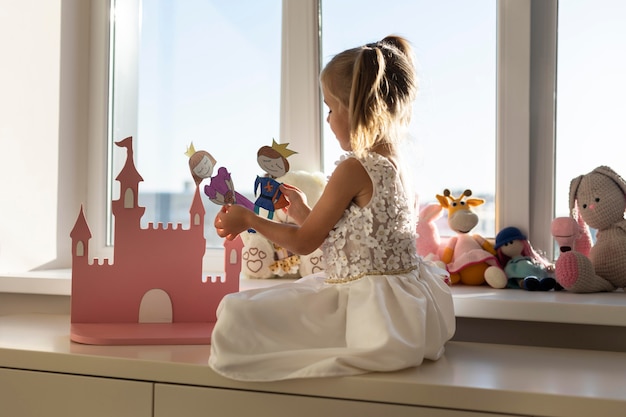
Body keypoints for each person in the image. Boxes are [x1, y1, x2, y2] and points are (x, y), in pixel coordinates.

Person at [210, 35, 456, 381]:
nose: (327, 120)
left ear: (356, 108)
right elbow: (356, 242)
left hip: (367, 314)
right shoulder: (396, 164)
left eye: (330, 108)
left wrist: (249, 219)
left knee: (236, 314)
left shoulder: (353, 168)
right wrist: (302, 211)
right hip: (405, 310)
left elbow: (304, 244)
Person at [495, 226, 556, 291]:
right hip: (519, 275)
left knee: (539, 274)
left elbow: (538, 264)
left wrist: (546, 267)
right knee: (520, 280)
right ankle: (526, 283)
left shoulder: (529, 259)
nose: (510, 246)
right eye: (506, 244)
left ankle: (544, 283)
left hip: (533, 271)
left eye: (511, 242)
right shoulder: (511, 263)